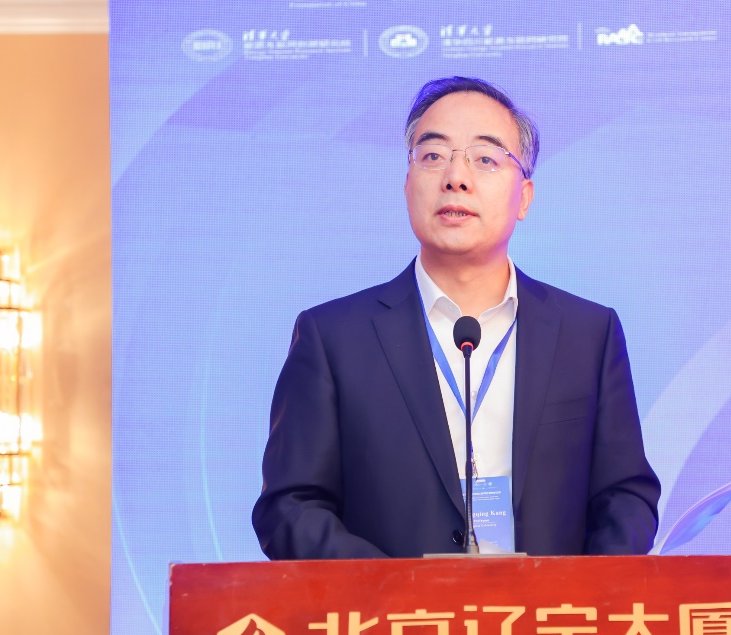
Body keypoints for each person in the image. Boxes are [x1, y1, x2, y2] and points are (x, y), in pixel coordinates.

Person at [253, 76, 660, 559]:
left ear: (524, 197)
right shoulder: (333, 338)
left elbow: (625, 497)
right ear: (408, 185)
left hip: (551, 607)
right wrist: (396, 590)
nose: (456, 177)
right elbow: (291, 507)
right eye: (433, 155)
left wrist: (581, 593)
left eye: (485, 159)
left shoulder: (588, 334)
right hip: (395, 609)